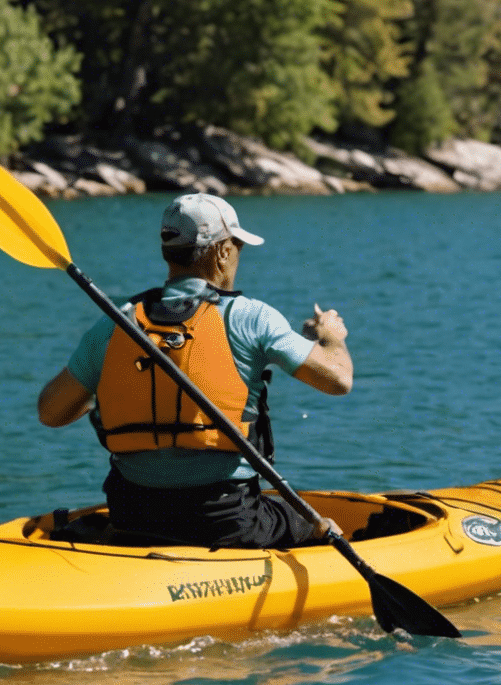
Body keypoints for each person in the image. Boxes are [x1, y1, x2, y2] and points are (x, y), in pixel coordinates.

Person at [36, 193, 353, 548]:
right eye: (238, 246)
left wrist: (114, 388)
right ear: (221, 252)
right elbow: (338, 380)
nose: (238, 256)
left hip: (132, 514)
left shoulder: (116, 323)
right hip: (225, 520)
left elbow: (51, 412)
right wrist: (330, 336)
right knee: (316, 527)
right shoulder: (250, 317)